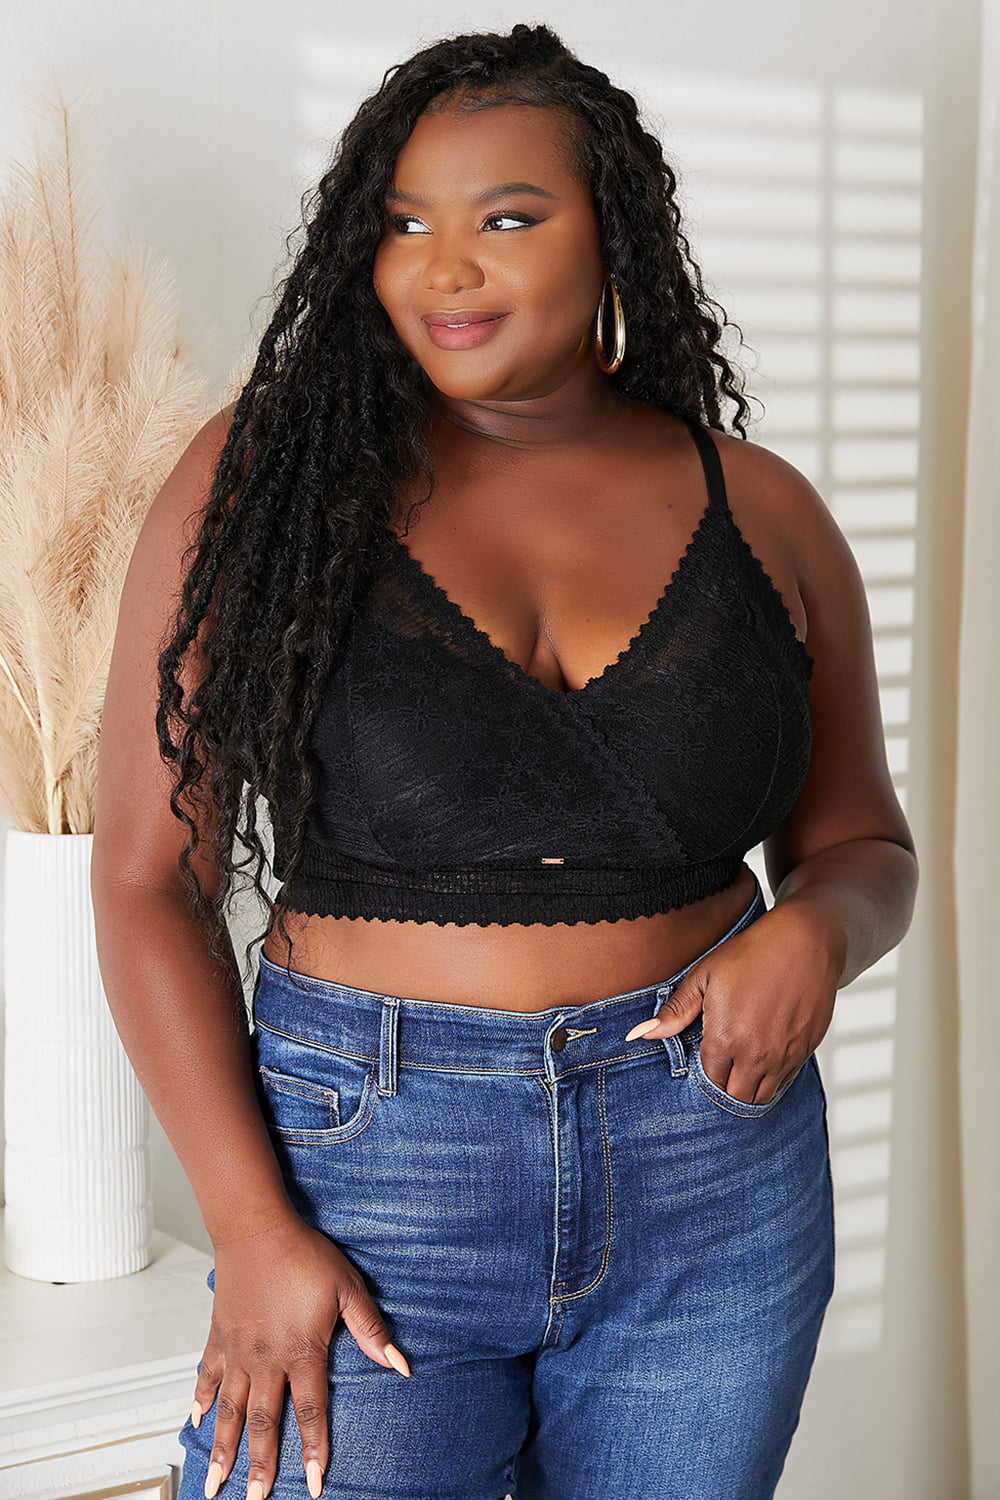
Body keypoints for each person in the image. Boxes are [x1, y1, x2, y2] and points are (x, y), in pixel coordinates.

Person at [91, 22, 918, 1500]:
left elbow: (864, 841)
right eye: (402, 223)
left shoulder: (767, 513)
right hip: (369, 1178)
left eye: (507, 219)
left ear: (615, 236)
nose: (443, 267)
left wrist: (821, 931)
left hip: (712, 1166)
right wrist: (250, 1227)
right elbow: (150, 877)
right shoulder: (264, 481)